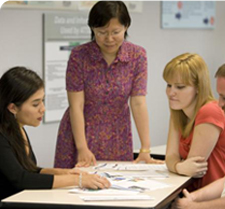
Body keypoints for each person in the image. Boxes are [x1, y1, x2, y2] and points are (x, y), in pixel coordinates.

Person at [0, 67, 110, 209]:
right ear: (13, 108)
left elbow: (29, 170)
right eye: (36, 104)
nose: (42, 109)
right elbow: (20, 179)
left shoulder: (17, 128)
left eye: (42, 101)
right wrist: (77, 180)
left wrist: (65, 173)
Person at [151, 56, 225, 209]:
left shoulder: (213, 113)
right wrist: (191, 199)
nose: (220, 104)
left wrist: (188, 207)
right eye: (169, 85)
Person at [54, 0, 161, 169]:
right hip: (81, 131)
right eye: (102, 32)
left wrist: (145, 148)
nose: (109, 39)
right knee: (75, 186)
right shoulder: (79, 56)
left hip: (118, 134)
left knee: (118, 185)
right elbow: (76, 105)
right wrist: (82, 147)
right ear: (92, 29)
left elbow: (138, 102)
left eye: (115, 32)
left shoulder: (137, 56)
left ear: (126, 26)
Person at [163, 53, 225, 191]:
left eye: (180, 87)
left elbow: (193, 168)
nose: (171, 92)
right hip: (194, 194)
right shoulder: (178, 111)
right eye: (169, 85)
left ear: (198, 87)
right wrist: (178, 166)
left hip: (217, 198)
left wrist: (177, 166)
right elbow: (170, 157)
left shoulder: (210, 111)